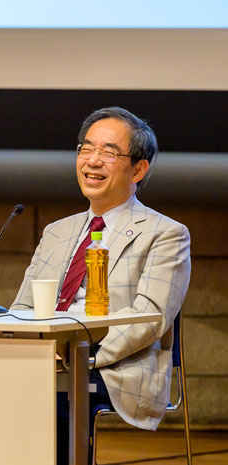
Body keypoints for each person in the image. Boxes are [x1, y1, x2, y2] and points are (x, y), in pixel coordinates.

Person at [11, 107, 191, 464]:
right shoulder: (58, 231)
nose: (92, 161)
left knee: (50, 399)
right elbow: (22, 308)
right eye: (85, 149)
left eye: (109, 152)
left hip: (113, 367)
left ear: (138, 168)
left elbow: (149, 317)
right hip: (47, 361)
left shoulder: (166, 234)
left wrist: (82, 359)